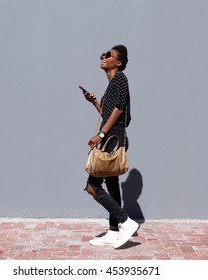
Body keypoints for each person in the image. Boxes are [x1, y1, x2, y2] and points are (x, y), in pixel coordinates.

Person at [83, 45, 139, 248]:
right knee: (112, 183)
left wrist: (100, 134)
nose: (104, 57)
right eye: (103, 54)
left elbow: (118, 110)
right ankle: (114, 230)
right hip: (112, 135)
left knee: (92, 186)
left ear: (119, 62)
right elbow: (109, 113)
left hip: (112, 137)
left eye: (109, 55)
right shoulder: (112, 84)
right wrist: (95, 103)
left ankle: (125, 221)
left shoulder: (120, 79)